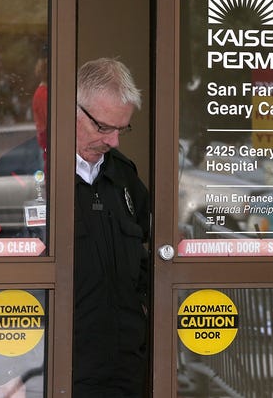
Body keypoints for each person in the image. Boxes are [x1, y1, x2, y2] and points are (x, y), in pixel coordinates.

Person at [73, 58, 150, 397]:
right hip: (56, 372)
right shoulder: (30, 169)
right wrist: (4, 370)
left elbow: (153, 256)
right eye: (104, 128)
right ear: (70, 110)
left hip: (125, 374)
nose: (114, 141)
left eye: (122, 129)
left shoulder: (124, 175)